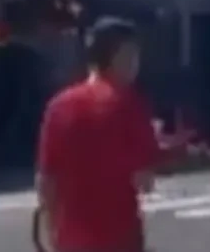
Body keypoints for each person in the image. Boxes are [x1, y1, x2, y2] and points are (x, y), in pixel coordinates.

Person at [36, 17, 197, 252]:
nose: (136, 64)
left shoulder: (58, 106)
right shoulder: (127, 103)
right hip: (118, 236)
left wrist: (53, 233)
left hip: (71, 239)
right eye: (131, 55)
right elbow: (145, 179)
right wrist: (173, 149)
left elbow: (46, 179)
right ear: (115, 57)